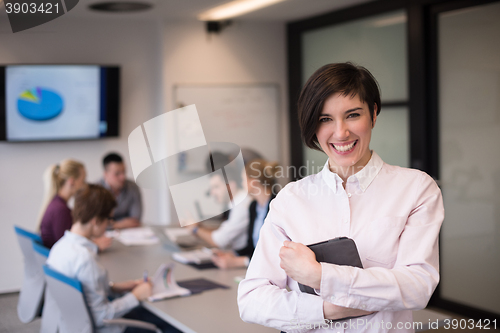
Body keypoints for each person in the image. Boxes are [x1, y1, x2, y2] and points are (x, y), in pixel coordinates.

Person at [237, 63, 444, 332]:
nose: (341, 132)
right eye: (325, 119)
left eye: (353, 115)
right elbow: (252, 300)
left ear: (374, 113)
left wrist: (319, 276)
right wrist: (330, 310)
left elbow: (417, 287)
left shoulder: (415, 189)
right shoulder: (291, 199)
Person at [46, 184, 180, 333]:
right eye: (109, 220)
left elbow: (83, 293)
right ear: (95, 221)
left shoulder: (58, 248)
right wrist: (136, 296)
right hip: (103, 328)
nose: (109, 225)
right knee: (170, 327)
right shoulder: (86, 259)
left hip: (70, 325)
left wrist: (117, 287)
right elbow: (102, 316)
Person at [212, 159, 279, 269]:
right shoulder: (253, 207)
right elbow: (251, 248)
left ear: (253, 183)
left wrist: (238, 262)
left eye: (243, 180)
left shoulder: (276, 207)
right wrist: (234, 254)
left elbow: (273, 253)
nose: (242, 184)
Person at [39, 159, 112, 250]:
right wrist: (95, 246)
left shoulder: (57, 203)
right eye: (83, 180)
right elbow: (68, 247)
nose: (85, 185)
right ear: (72, 181)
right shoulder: (61, 210)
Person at [188, 163, 252, 251]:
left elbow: (219, 240)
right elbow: (224, 230)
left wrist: (195, 229)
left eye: (216, 187)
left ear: (231, 185)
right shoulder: (238, 202)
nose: (212, 193)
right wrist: (202, 228)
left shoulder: (242, 206)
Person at [99, 153, 142, 229]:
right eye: (117, 173)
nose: (123, 177)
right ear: (106, 174)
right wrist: (119, 224)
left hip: (129, 234)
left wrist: (109, 223)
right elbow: (96, 224)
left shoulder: (133, 187)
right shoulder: (96, 190)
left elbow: (135, 220)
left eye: (124, 172)